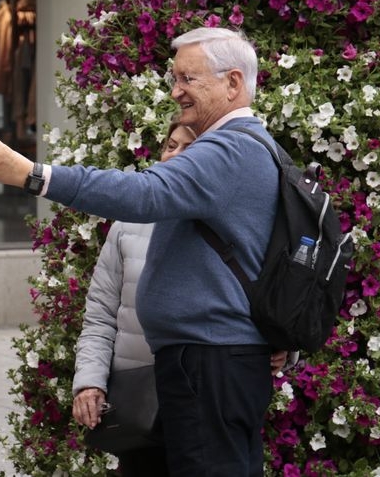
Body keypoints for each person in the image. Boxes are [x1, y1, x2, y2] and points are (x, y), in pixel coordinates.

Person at [0, 27, 281, 476]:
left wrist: (32, 175)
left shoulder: (229, 149)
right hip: (210, 363)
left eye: (188, 79)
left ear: (232, 83)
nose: (176, 91)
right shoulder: (241, 147)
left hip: (211, 364)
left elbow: (143, 193)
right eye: (175, 78)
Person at [71, 121, 293, 477]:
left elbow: (269, 298)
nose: (175, 155)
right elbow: (100, 316)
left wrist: (281, 347)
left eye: (189, 148)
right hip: (140, 399)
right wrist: (90, 381)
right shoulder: (128, 225)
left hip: (208, 387)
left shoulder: (235, 222)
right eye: (170, 145)